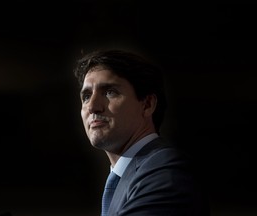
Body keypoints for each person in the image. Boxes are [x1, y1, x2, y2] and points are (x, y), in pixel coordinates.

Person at [73, 48, 209, 216]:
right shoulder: (130, 175)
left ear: (147, 104)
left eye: (110, 92)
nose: (92, 106)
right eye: (86, 96)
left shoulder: (165, 171)